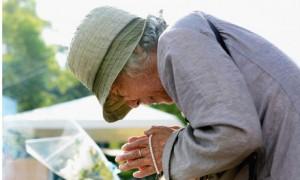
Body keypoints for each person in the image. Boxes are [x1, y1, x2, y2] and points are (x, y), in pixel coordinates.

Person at [67, 6, 300, 180]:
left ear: (136, 52)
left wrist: (169, 150)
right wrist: (186, 144)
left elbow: (236, 134)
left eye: (118, 91)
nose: (133, 103)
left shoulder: (177, 40)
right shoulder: (186, 44)